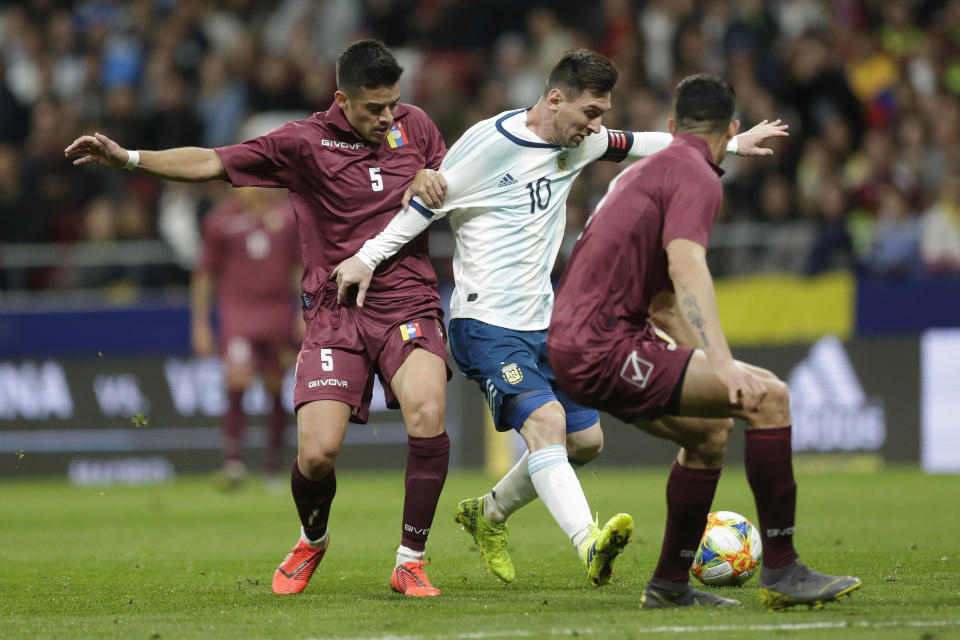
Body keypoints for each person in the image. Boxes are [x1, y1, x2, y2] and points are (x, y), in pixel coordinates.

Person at [331, 50, 787, 586]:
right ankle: (589, 542)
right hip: (485, 324)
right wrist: (366, 258)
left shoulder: (582, 142)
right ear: (554, 99)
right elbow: (425, 205)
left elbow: (643, 145)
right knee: (545, 426)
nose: (597, 126)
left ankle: (489, 514)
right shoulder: (491, 143)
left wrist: (728, 143)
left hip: (547, 324)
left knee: (586, 443)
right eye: (590, 112)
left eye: (601, 114)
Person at [66, 40, 453, 597]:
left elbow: (449, 178)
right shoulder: (301, 143)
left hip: (407, 300)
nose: (387, 117)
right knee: (317, 455)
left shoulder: (416, 127)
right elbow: (210, 162)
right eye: (374, 107)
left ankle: (410, 560)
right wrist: (129, 158)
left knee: (428, 407)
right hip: (335, 310)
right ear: (341, 99)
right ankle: (312, 539)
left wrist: (428, 178)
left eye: (393, 103)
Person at [546, 73, 862, 609]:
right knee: (771, 399)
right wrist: (722, 362)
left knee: (712, 433)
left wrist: (722, 369)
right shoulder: (696, 174)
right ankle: (783, 572)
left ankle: (669, 585)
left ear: (672, 127)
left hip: (578, 341)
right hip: (603, 344)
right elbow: (687, 266)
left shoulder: (650, 172)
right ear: (732, 129)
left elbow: (666, 302)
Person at [191, 187, 302, 489]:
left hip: (277, 312)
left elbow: (298, 268)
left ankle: (272, 466)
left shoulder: (286, 217)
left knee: (275, 387)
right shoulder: (220, 221)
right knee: (237, 380)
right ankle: (234, 460)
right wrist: (200, 323)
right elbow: (205, 273)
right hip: (238, 313)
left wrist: (304, 312)